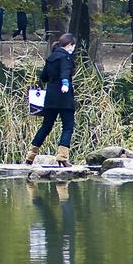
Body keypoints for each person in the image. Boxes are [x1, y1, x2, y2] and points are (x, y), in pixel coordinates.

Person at [25, 33, 77, 167]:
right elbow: (65, 72)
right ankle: (62, 156)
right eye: (73, 45)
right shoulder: (66, 57)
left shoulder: (51, 58)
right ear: (69, 45)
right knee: (68, 127)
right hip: (64, 98)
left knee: (46, 126)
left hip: (50, 97)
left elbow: (43, 77)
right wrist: (65, 84)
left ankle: (31, 155)